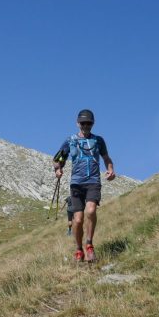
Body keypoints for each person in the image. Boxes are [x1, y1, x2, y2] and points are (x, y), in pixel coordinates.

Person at [52, 109, 116, 263]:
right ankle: (79, 250)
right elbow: (57, 158)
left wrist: (111, 169)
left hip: (93, 181)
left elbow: (106, 157)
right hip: (76, 184)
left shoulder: (98, 141)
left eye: (89, 123)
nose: (86, 126)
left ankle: (89, 245)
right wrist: (58, 169)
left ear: (92, 124)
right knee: (78, 220)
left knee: (91, 210)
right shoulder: (70, 141)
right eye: (83, 123)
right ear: (77, 123)